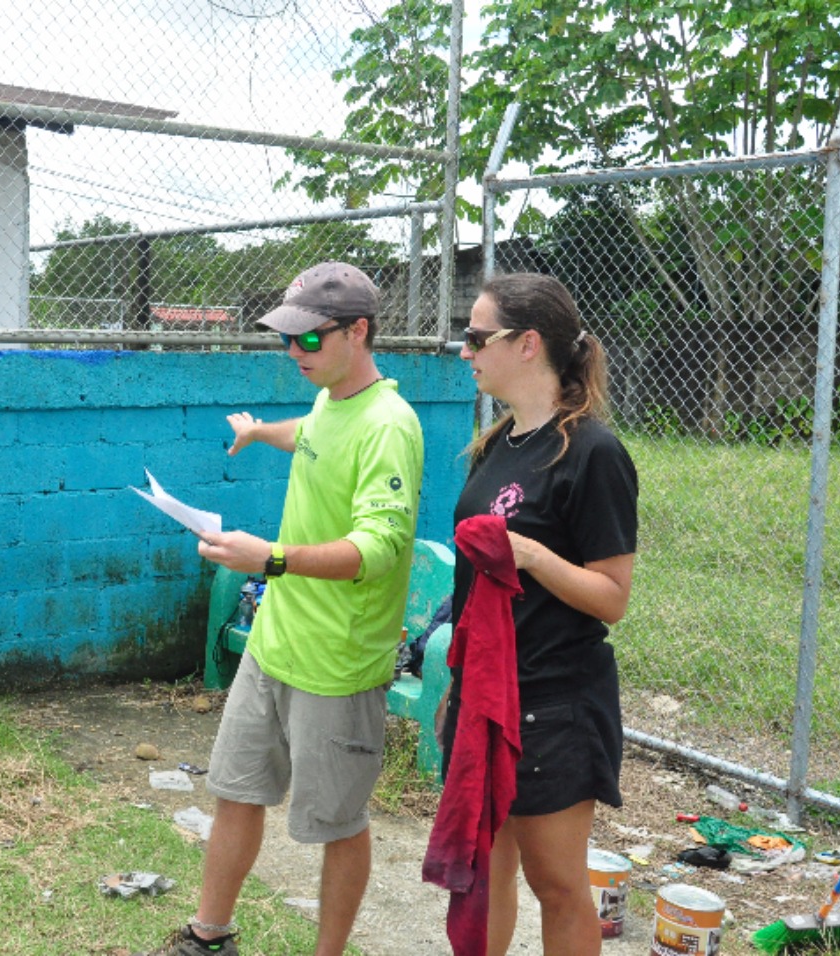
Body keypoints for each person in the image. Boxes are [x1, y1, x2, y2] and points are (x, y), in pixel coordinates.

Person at [139, 261, 425, 956]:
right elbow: (316, 433)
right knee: (236, 790)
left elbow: (379, 547)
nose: (294, 351)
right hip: (276, 643)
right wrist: (263, 431)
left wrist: (268, 557)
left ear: (358, 332)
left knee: (337, 824)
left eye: (309, 339)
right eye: (286, 339)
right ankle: (207, 937)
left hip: (337, 664)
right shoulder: (332, 399)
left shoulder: (390, 425)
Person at [439, 272, 638, 956]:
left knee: (555, 882)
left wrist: (532, 555)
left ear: (527, 344)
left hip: (551, 703)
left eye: (476, 337)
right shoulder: (498, 444)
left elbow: (613, 596)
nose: (465, 350)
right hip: (485, 695)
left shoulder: (593, 452)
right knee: (483, 871)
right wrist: (458, 689)